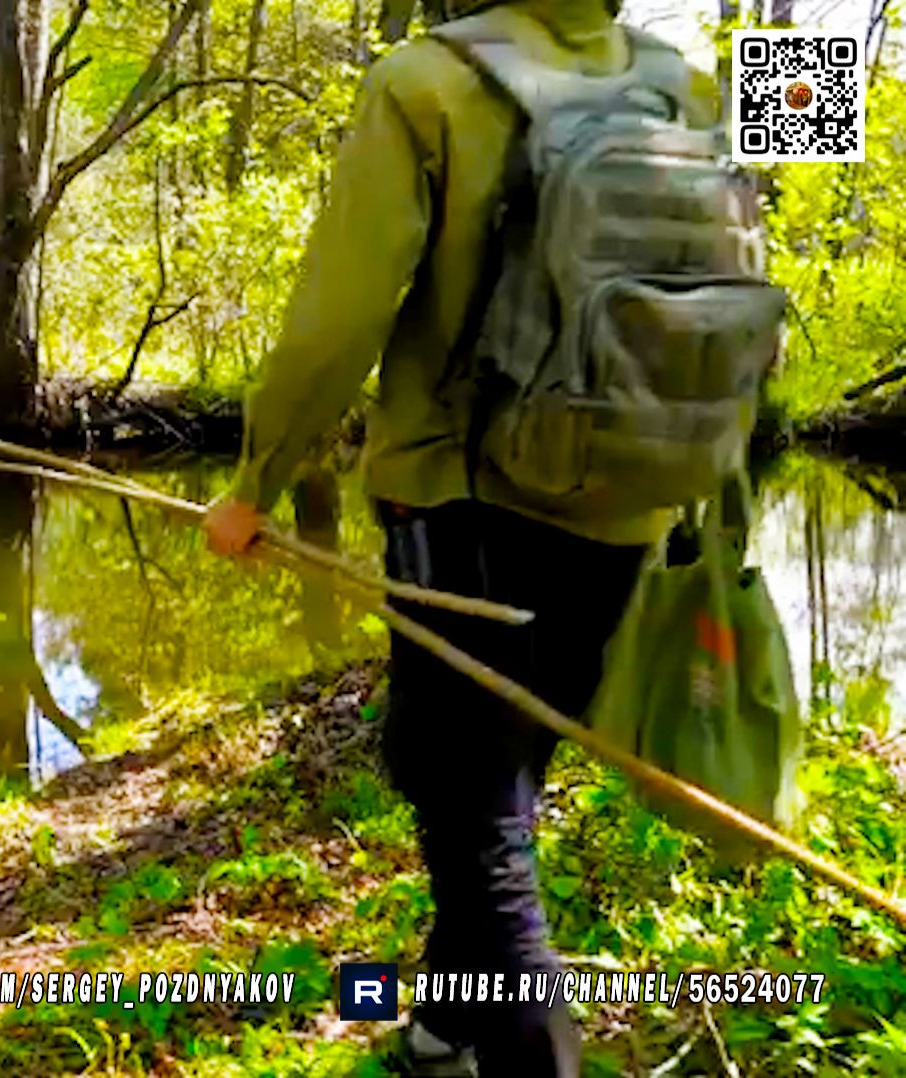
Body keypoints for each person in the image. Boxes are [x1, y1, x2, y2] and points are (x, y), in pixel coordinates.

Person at [203, 0, 725, 1076]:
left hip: (462, 498)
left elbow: (338, 316)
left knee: (474, 815)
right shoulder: (685, 85)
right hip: (633, 498)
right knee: (494, 780)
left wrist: (257, 481)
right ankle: (445, 1030)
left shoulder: (423, 82)